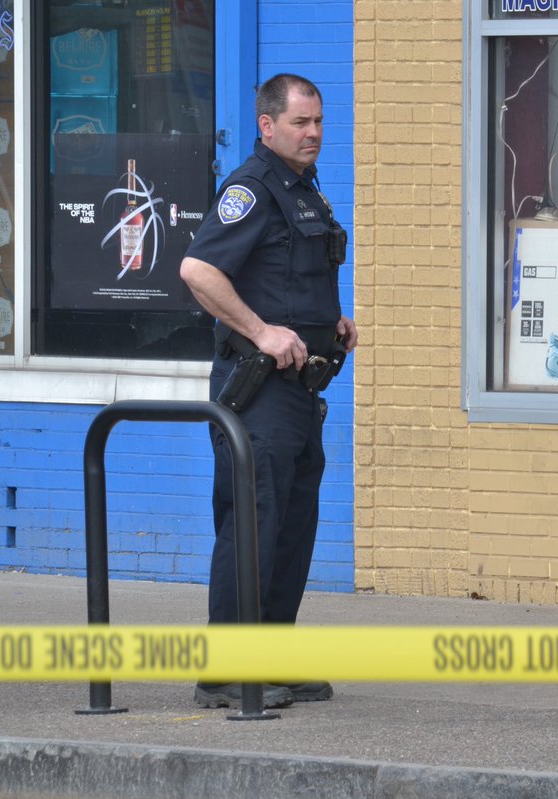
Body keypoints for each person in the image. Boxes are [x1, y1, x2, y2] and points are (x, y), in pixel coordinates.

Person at [180, 74, 358, 709]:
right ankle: (225, 673)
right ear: (267, 125)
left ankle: (273, 654)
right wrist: (260, 331)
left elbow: (285, 277)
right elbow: (198, 271)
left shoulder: (302, 191)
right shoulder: (251, 190)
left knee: (293, 523)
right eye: (299, 123)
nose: (313, 134)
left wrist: (327, 325)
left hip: (301, 390)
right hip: (256, 392)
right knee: (251, 525)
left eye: (318, 122)